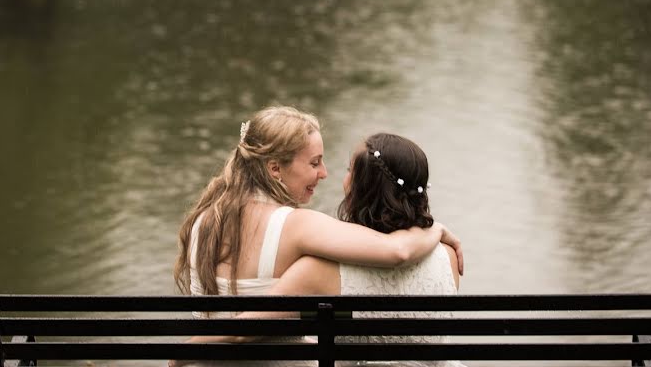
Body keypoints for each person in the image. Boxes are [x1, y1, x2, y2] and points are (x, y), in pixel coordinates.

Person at [174, 131, 465, 367]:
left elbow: (243, 332)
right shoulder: (449, 256)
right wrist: (435, 229)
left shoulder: (321, 270)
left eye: (349, 170)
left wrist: (180, 355)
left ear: (361, 188)